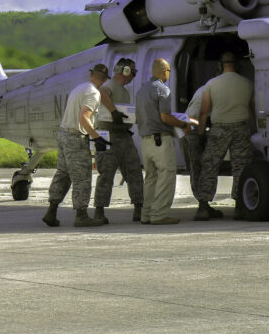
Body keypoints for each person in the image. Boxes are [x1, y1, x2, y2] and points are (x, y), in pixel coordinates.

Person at [42, 64, 111, 228]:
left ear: (91, 75)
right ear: (105, 79)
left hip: (63, 134)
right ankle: (81, 215)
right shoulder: (93, 93)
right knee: (82, 176)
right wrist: (96, 137)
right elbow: (84, 117)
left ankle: (51, 211)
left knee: (63, 173)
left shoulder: (80, 88)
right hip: (75, 137)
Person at [196, 51, 255, 221]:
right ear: (236, 65)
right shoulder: (247, 83)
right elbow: (253, 109)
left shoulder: (211, 84)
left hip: (219, 129)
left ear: (221, 65)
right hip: (241, 128)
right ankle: (239, 206)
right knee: (241, 167)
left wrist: (201, 133)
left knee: (210, 165)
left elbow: (204, 111)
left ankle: (203, 206)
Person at [135, 58, 191, 225]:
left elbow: (138, 117)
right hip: (160, 140)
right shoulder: (163, 90)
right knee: (166, 177)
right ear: (164, 71)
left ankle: (146, 214)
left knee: (151, 178)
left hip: (145, 141)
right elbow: (165, 117)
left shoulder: (141, 91)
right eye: (168, 71)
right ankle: (159, 214)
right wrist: (183, 124)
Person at [93, 58, 144, 223]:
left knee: (134, 171)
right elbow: (101, 93)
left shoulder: (124, 90)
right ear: (126, 71)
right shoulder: (110, 86)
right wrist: (113, 111)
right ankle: (99, 211)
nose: (134, 76)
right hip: (109, 134)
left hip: (123, 135)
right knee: (106, 174)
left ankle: (138, 207)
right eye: (133, 72)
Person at [181, 84, 208, 201]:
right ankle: (202, 203)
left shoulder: (204, 87)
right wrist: (202, 132)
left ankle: (201, 200)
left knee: (194, 165)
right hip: (192, 125)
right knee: (196, 164)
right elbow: (203, 112)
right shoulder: (213, 89)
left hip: (186, 122)